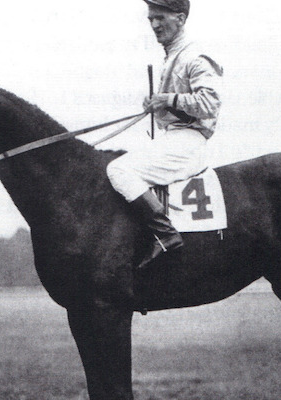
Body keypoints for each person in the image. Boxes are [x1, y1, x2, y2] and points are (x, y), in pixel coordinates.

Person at [107, 0, 223, 268]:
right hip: (174, 138)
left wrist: (168, 100)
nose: (155, 25)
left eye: (160, 18)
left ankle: (166, 236)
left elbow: (210, 104)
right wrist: (159, 104)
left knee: (119, 170)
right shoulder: (173, 55)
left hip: (189, 142)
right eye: (151, 19)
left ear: (180, 18)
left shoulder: (194, 56)